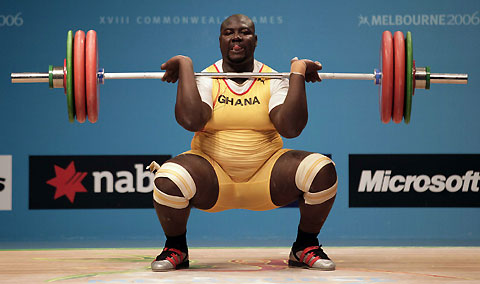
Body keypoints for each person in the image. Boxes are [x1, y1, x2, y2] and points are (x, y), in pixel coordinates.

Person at [147, 14, 337, 271]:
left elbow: (291, 128)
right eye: (229, 32)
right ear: (220, 40)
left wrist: (297, 74)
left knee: (321, 170)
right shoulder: (205, 78)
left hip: (267, 177)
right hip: (213, 178)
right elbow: (191, 120)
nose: (236, 37)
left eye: (244, 32)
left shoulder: (273, 78)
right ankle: (176, 248)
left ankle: (304, 246)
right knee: (169, 177)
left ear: (255, 40)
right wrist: (185, 66)